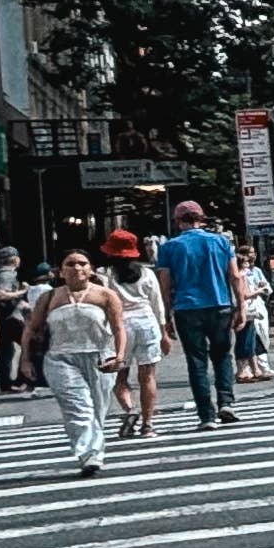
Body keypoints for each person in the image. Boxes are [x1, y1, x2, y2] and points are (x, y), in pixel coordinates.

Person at [22, 247, 128, 477]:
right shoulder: (49, 297)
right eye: (70, 264)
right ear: (60, 271)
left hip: (99, 357)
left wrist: (119, 356)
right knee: (79, 408)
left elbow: (119, 328)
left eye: (82, 263)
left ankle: (94, 450)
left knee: (98, 410)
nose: (77, 268)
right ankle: (88, 455)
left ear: (90, 269)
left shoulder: (105, 295)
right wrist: (25, 360)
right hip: (61, 359)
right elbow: (31, 329)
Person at [155, 198, 243, 427]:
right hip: (220, 305)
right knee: (223, 356)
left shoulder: (169, 247)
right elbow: (235, 276)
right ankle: (226, 401)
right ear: (201, 218)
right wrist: (241, 306)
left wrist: (166, 315)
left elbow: (164, 284)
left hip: (187, 309)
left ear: (177, 221)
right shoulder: (221, 242)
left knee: (197, 362)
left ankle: (207, 415)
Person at [114, 247, 168, 440]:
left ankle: (130, 409)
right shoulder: (146, 273)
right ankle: (148, 424)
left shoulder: (106, 274)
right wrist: (164, 334)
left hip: (121, 325)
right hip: (147, 322)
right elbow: (157, 304)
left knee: (120, 377)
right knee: (147, 376)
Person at [232, 238, 273, 385]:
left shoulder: (252, 272)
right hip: (246, 310)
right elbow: (245, 295)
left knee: (253, 339)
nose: (248, 264)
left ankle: (256, 368)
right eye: (245, 263)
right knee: (245, 340)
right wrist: (259, 290)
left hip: (251, 309)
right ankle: (243, 369)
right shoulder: (241, 277)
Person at [0, 243, 27, 393]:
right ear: (14, 259)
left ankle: (6, 384)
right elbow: (1, 294)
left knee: (5, 352)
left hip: (0, 319)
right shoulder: (7, 274)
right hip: (12, 319)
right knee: (30, 345)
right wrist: (21, 292)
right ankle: (22, 380)